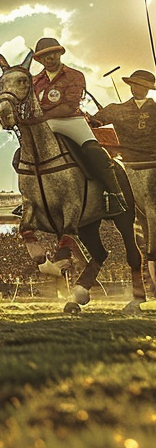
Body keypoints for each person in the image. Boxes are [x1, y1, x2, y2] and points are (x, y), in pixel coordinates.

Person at [22, 37, 126, 216]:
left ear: (60, 53)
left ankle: (115, 195)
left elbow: (69, 106)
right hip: (44, 124)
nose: (50, 58)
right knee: (23, 154)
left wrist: (40, 117)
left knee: (94, 150)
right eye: (45, 56)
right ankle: (29, 200)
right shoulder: (34, 81)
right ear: (39, 60)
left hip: (72, 120)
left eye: (53, 53)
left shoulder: (74, 75)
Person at [89, 67, 156, 290]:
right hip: (127, 165)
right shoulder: (117, 110)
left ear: (148, 88)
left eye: (142, 85)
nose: (137, 88)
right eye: (135, 84)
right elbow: (94, 122)